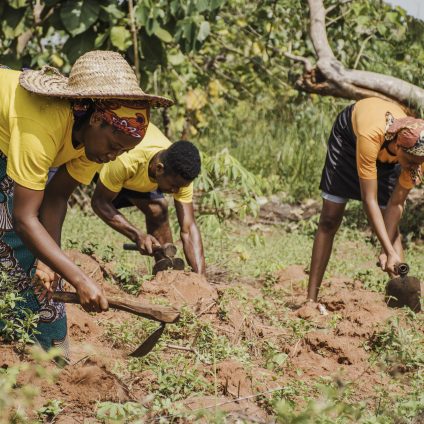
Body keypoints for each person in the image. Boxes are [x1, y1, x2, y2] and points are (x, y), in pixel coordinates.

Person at [0, 50, 172, 357]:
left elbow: (56, 197)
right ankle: (25, 347)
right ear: (96, 120)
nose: (112, 157)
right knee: (13, 243)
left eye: (122, 152)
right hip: (13, 134)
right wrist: (78, 279)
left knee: (37, 266)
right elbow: (25, 218)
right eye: (114, 147)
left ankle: (51, 361)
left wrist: (48, 262)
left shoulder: (93, 144)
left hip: (10, 145)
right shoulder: (42, 125)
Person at [307, 97, 424, 303]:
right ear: (398, 147)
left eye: (420, 163)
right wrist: (388, 250)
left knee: (392, 230)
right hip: (350, 139)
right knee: (330, 218)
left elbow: (396, 204)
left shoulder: (417, 157)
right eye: (412, 162)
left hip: (386, 150)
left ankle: (403, 305)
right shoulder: (371, 136)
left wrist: (385, 250)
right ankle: (310, 300)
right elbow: (368, 199)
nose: (415, 168)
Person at [91, 123, 206, 275]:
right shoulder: (127, 161)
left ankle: (166, 273)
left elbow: (189, 229)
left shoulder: (181, 173)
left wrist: (200, 279)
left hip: (137, 176)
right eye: (173, 186)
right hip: (104, 167)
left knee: (158, 210)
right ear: (159, 168)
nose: (176, 191)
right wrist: (136, 235)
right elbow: (99, 202)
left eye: (180, 187)